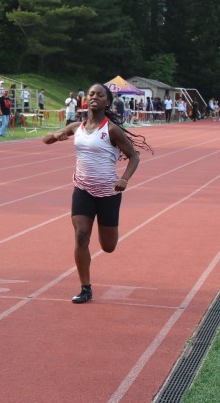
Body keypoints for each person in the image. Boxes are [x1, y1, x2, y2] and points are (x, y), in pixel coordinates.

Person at [41, 84, 152, 303]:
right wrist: (55, 135)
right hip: (82, 189)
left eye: (100, 95)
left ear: (107, 102)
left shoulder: (111, 130)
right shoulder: (76, 127)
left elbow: (134, 156)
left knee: (108, 247)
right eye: (91, 94)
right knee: (81, 235)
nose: (94, 97)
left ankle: (106, 238)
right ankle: (85, 288)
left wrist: (124, 179)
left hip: (109, 192)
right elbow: (45, 140)